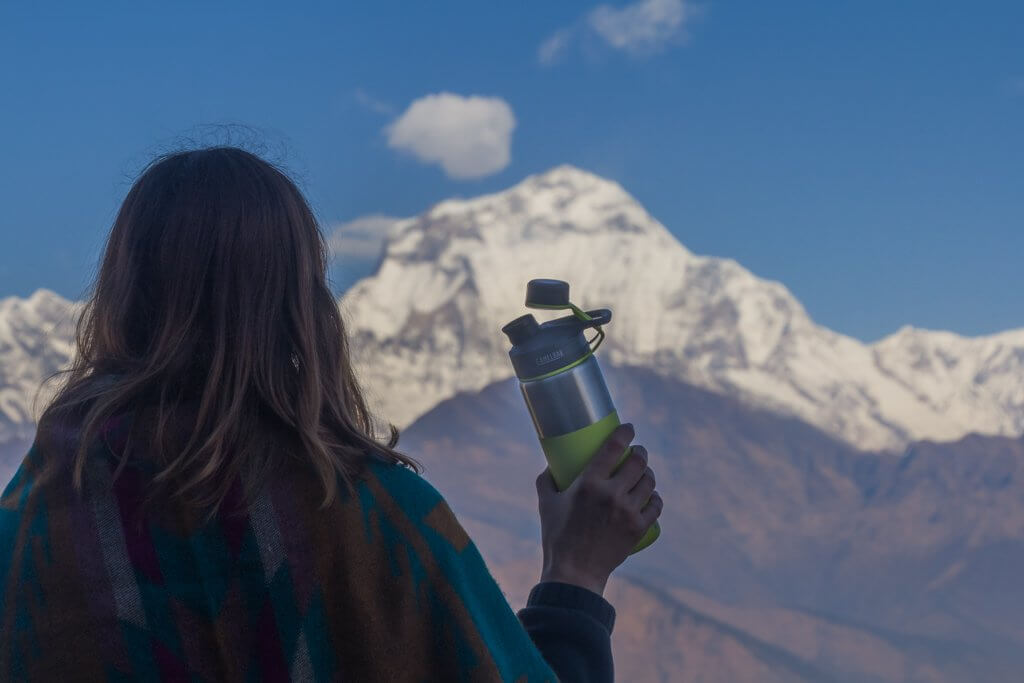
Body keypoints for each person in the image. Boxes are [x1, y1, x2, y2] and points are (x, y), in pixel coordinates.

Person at [0, 146, 663, 682]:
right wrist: (575, 572)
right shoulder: (372, 522)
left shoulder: (27, 538)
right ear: (300, 310)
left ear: (119, 299)